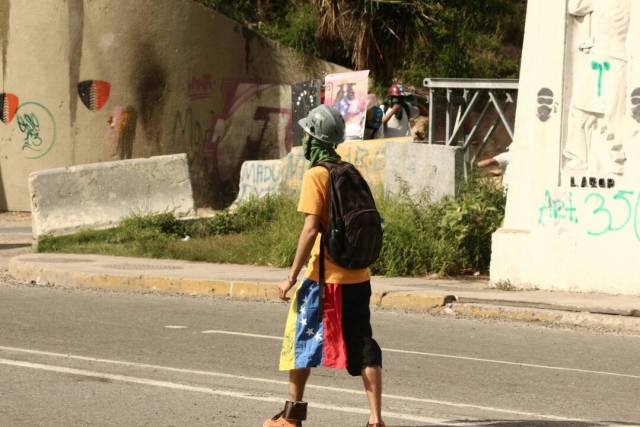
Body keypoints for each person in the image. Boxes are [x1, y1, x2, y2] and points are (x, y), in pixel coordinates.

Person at [263, 104, 384, 427]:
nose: (304, 138)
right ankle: (375, 420)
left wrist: (290, 277)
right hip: (359, 276)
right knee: (364, 344)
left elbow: (311, 228)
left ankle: (291, 418)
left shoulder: (317, 175)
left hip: (324, 278)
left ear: (315, 138)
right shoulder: (350, 171)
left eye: (307, 134)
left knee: (301, 342)